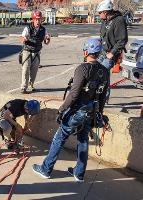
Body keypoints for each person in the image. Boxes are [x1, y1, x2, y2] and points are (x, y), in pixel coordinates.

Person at [32, 38, 109, 182]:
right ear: (98, 53)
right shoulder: (104, 71)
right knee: (83, 140)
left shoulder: (82, 69)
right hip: (91, 111)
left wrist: (61, 109)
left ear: (86, 51)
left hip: (77, 111)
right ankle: (79, 173)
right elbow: (103, 96)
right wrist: (99, 113)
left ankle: (46, 169)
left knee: (59, 138)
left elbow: (74, 94)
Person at [97, 0, 128, 101]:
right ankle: (97, 98)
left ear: (105, 12)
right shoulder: (105, 21)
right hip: (102, 52)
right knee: (95, 72)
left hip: (111, 53)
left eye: (99, 13)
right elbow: (103, 37)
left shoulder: (119, 20)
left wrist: (112, 53)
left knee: (103, 75)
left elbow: (122, 40)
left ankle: (104, 100)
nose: (99, 15)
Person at [20, 10, 51, 94]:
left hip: (37, 52)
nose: (38, 21)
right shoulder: (27, 28)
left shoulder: (43, 30)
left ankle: (31, 84)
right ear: (33, 19)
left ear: (41, 20)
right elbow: (21, 38)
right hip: (27, 51)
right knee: (25, 69)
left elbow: (46, 43)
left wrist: (48, 39)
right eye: (36, 19)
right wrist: (24, 39)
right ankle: (23, 87)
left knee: (34, 71)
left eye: (39, 19)